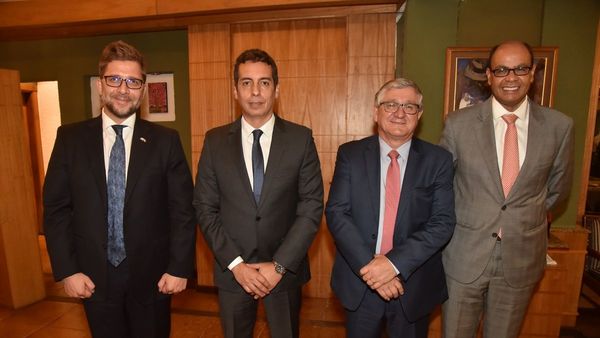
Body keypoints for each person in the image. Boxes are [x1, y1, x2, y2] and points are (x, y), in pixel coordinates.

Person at [43, 40, 196, 338]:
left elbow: (183, 211)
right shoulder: (69, 139)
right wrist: (67, 270)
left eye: (133, 81)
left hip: (153, 278)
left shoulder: (166, 142)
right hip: (92, 277)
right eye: (114, 79)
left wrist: (179, 268)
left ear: (142, 89)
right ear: (101, 84)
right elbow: (56, 210)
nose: (123, 89)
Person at [440, 40, 574, 338]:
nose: (510, 77)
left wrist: (523, 218)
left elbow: (557, 189)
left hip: (521, 257)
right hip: (465, 255)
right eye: (501, 70)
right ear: (488, 76)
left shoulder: (559, 126)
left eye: (520, 69)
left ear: (533, 73)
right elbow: (443, 185)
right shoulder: (457, 125)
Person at [193, 48, 324, 338]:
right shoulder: (214, 142)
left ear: (276, 89)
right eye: (246, 83)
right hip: (233, 273)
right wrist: (237, 265)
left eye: (264, 82)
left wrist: (279, 266)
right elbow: (204, 206)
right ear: (235, 90)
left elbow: (311, 207)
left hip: (284, 272)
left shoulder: (301, 139)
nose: (255, 92)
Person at [326, 78, 456, 338]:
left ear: (419, 115)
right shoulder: (350, 155)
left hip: (413, 283)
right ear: (376, 112)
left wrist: (392, 265)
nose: (399, 113)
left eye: (409, 107)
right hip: (360, 283)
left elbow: (442, 223)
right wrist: (373, 270)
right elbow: (337, 213)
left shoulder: (438, 160)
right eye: (391, 105)